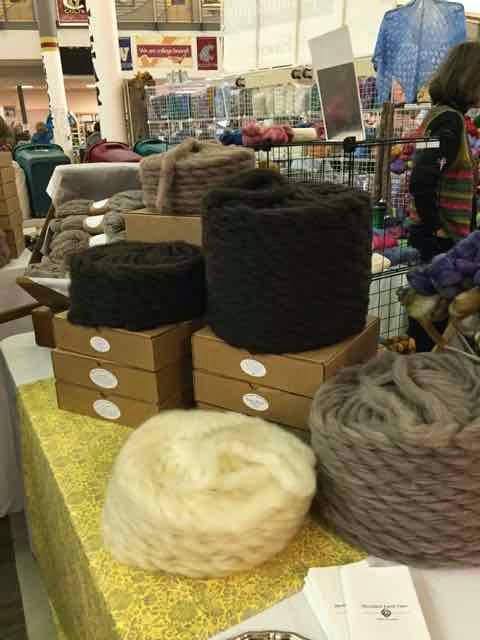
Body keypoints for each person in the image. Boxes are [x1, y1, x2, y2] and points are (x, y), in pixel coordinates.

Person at [408, 41, 480, 350]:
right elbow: (423, 177)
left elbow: (429, 170)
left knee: (427, 315)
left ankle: (420, 366)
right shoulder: (449, 122)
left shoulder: (440, 116)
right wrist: (435, 226)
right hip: (441, 239)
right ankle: (424, 370)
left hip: (437, 237)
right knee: (432, 319)